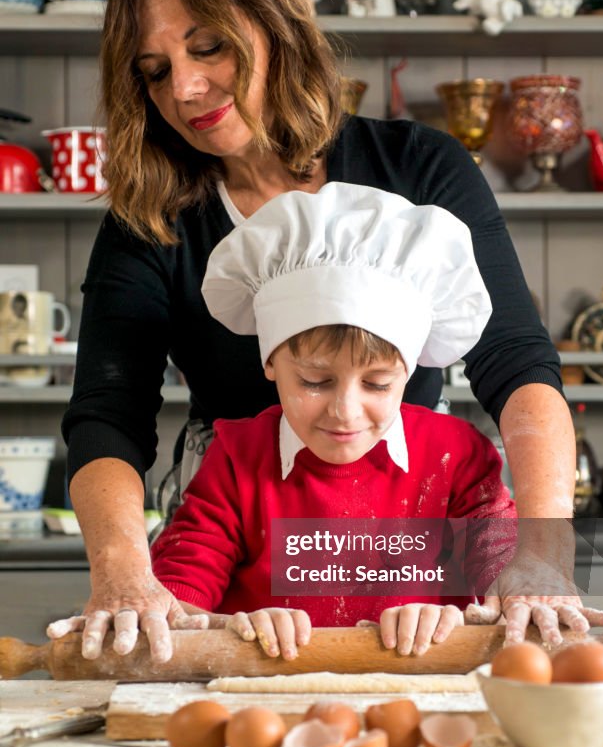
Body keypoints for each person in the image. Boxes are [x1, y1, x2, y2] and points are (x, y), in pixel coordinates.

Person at [49, 0, 603, 664]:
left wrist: (541, 555)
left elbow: (515, 363)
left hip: (406, 535)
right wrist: (124, 571)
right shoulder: (152, 215)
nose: (185, 88)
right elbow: (107, 414)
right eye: (155, 71)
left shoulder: (417, 165)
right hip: (234, 538)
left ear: (274, 24)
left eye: (208, 45)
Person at [150, 182, 516, 659]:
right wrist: (230, 625)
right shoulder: (238, 456)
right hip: (273, 708)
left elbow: (505, 565)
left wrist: (461, 612)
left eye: (378, 384)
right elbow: (180, 590)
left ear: (409, 372)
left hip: (420, 701)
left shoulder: (456, 455)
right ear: (270, 362)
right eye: (315, 381)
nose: (345, 410)